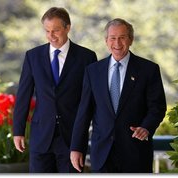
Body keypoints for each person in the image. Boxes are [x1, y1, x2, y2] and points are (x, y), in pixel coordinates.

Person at [70, 18, 166, 173]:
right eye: (113, 38)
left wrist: (146, 127)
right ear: (106, 41)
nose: (117, 43)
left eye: (122, 37)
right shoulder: (93, 71)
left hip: (135, 152)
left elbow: (158, 107)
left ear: (131, 39)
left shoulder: (148, 70)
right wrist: (76, 147)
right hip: (102, 153)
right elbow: (84, 112)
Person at [13, 7, 97, 173]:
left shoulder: (86, 57)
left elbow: (90, 101)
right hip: (41, 136)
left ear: (67, 28)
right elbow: (23, 95)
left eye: (56, 30)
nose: (51, 36)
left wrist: (82, 141)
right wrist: (18, 131)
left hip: (71, 138)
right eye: (47, 31)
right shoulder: (33, 56)